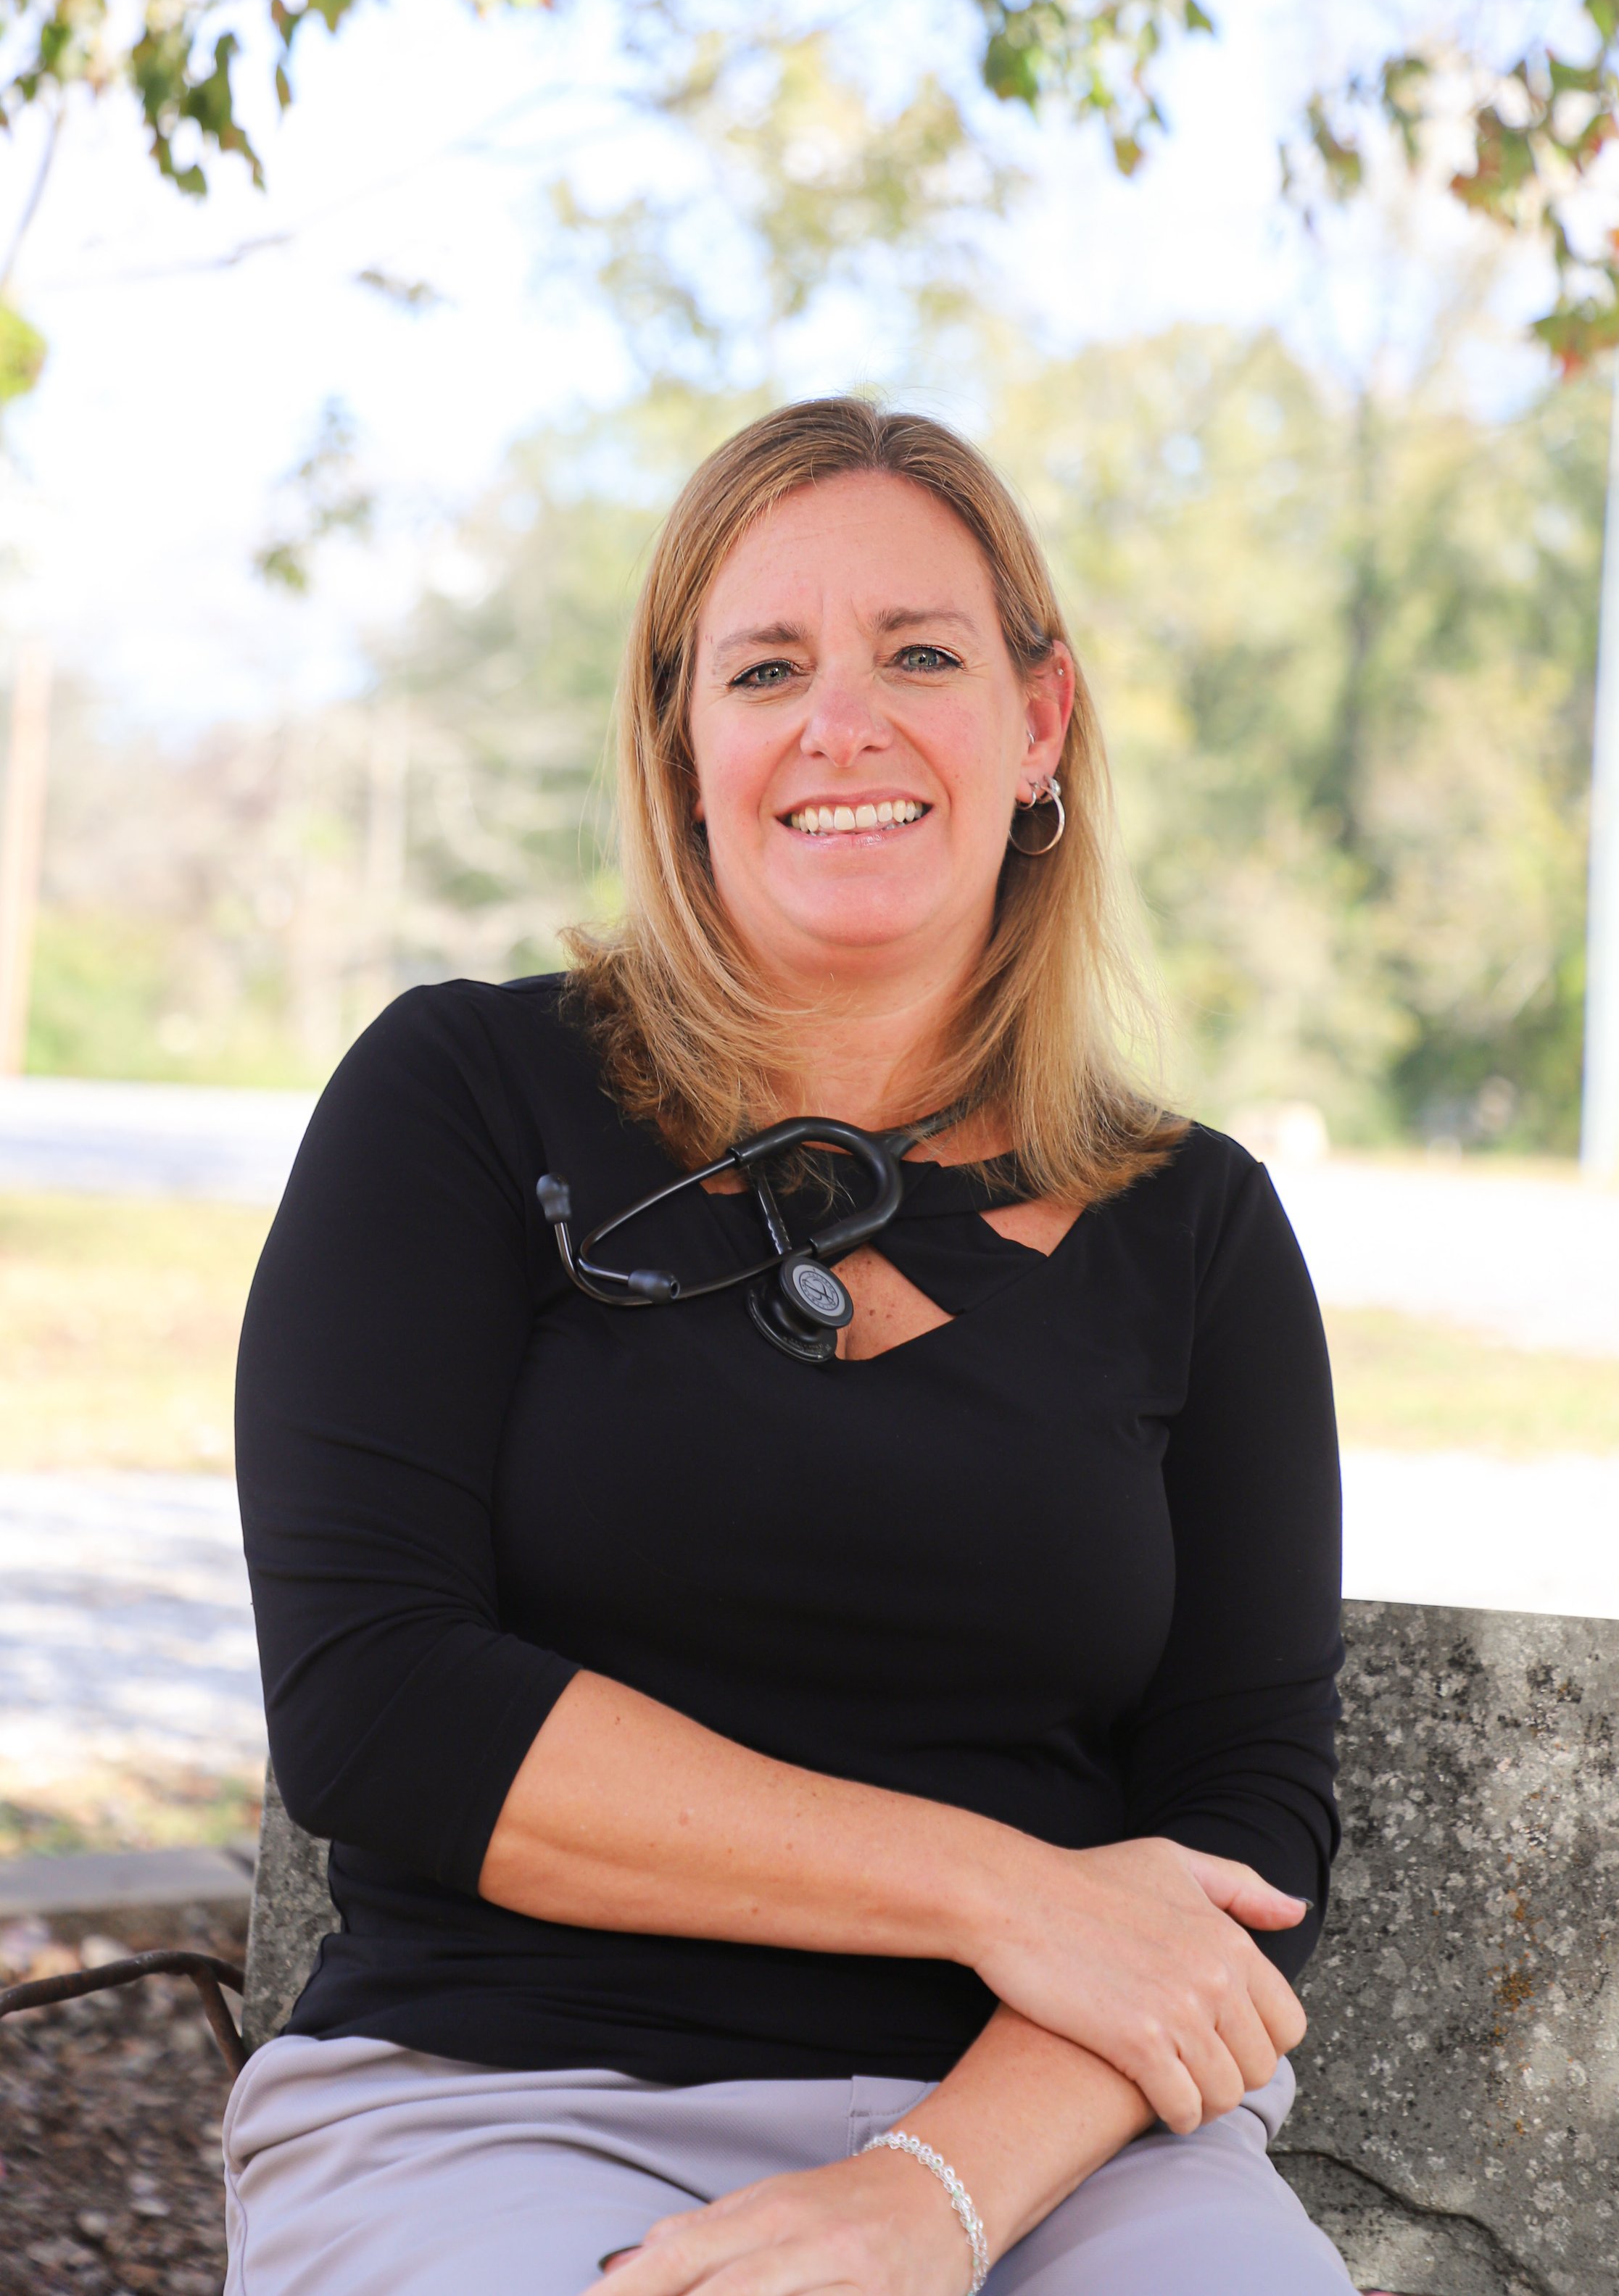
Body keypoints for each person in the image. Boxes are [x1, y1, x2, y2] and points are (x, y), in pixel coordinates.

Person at [230, 397, 1348, 2296]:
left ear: (1039, 723)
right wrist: (1007, 1892)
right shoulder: (463, 1099)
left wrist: (936, 2191)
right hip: (500, 2102)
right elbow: (382, 1701)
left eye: (919, 652)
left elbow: (1243, 1820)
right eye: (765, 667)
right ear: (682, 748)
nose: (844, 723)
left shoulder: (1200, 1223)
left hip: (1050, 2141)